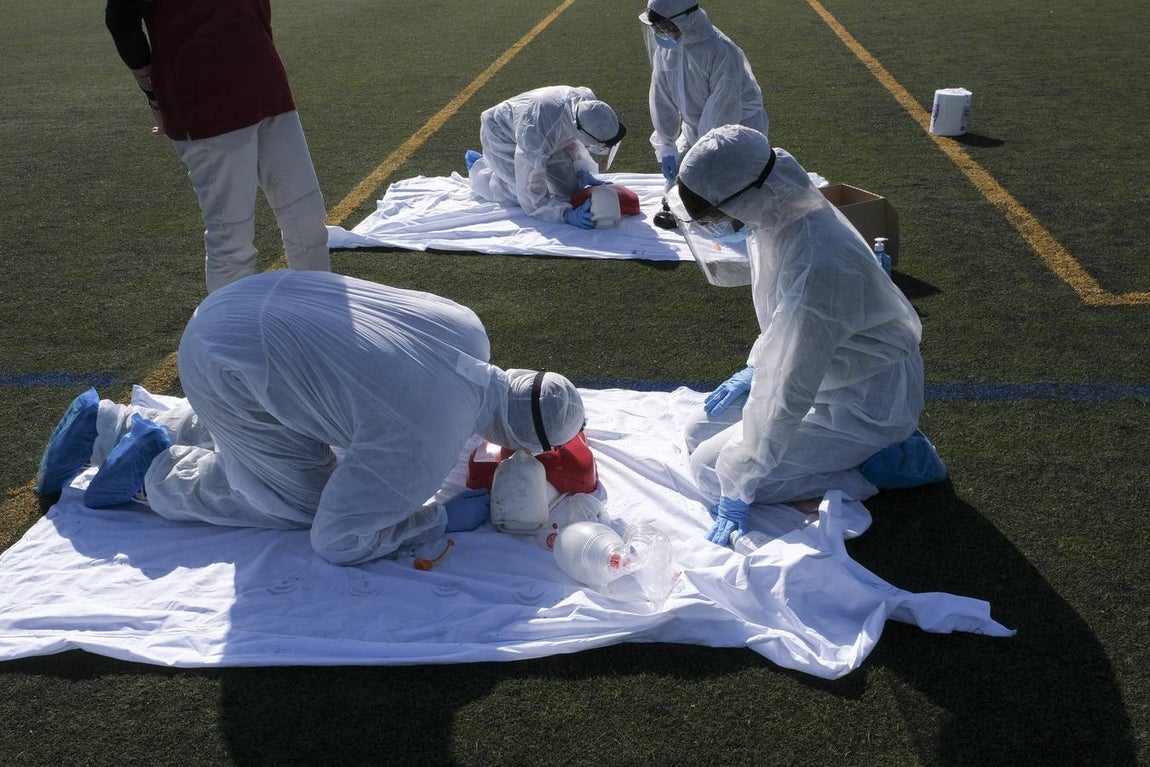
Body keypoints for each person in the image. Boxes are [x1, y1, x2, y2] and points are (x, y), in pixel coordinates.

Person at [34, 271, 585, 566]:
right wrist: (434, 519)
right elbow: (338, 539)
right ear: (516, 445)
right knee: (297, 502)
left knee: (287, 417)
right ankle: (150, 469)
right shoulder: (428, 441)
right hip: (231, 366)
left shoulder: (467, 327)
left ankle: (106, 423)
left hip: (238, 304)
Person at [666, 125, 943, 547]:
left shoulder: (817, 258)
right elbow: (788, 331)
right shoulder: (778, 216)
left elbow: (786, 387)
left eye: (716, 217)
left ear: (746, 199)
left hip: (863, 406)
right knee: (696, 432)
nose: (716, 229)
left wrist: (739, 483)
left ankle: (883, 466)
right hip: (831, 375)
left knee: (711, 473)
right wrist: (754, 369)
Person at [105, 0, 331, 293]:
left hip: (267, 86)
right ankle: (229, 338)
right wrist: (153, 91)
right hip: (206, 101)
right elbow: (120, 19)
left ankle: (316, 317)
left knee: (308, 220)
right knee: (232, 242)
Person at [639, 0, 769, 190]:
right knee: (677, 190)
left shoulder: (721, 51)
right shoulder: (668, 49)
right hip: (695, 130)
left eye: (664, 27)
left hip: (736, 131)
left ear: (686, 20)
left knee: (732, 191)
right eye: (656, 28)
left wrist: (703, 156)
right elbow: (661, 97)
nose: (659, 34)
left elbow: (723, 112)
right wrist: (667, 144)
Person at [465, 85, 627, 229]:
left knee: (567, 191)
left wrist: (581, 171)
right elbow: (530, 191)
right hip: (501, 132)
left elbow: (571, 138)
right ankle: (480, 171)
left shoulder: (587, 104)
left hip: (541, 131)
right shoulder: (536, 136)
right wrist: (564, 215)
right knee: (520, 195)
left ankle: (498, 171)